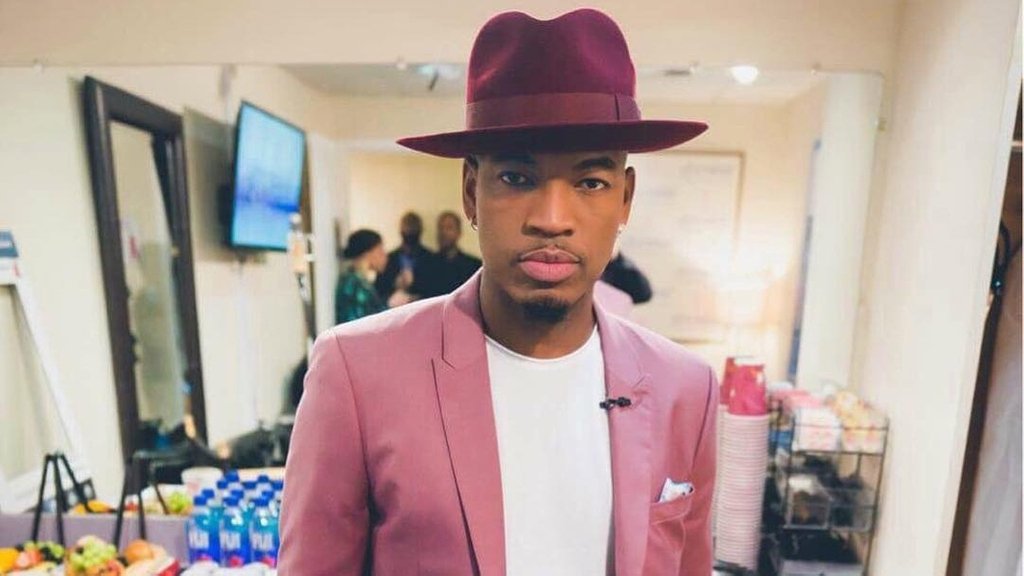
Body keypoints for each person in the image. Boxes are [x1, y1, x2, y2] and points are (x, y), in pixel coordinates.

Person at [281, 9, 717, 576]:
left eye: (590, 181)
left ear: (625, 200)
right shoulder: (357, 372)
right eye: (516, 177)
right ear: (471, 191)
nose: (552, 219)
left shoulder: (686, 388)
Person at [374, 211, 434, 305]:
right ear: (400, 230)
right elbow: (378, 292)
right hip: (393, 311)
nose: (410, 230)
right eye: (407, 226)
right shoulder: (388, 259)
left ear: (420, 230)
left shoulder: (432, 259)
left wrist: (415, 289)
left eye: (413, 227)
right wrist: (395, 285)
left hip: (423, 309)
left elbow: (436, 291)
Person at [420, 210, 482, 296]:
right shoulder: (426, 265)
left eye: (449, 228)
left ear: (458, 232)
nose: (444, 232)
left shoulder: (473, 267)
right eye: (441, 228)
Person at [334, 229, 387, 324]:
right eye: (380, 251)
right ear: (367, 253)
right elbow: (358, 323)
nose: (385, 256)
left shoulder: (359, 282)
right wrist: (390, 304)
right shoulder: (352, 284)